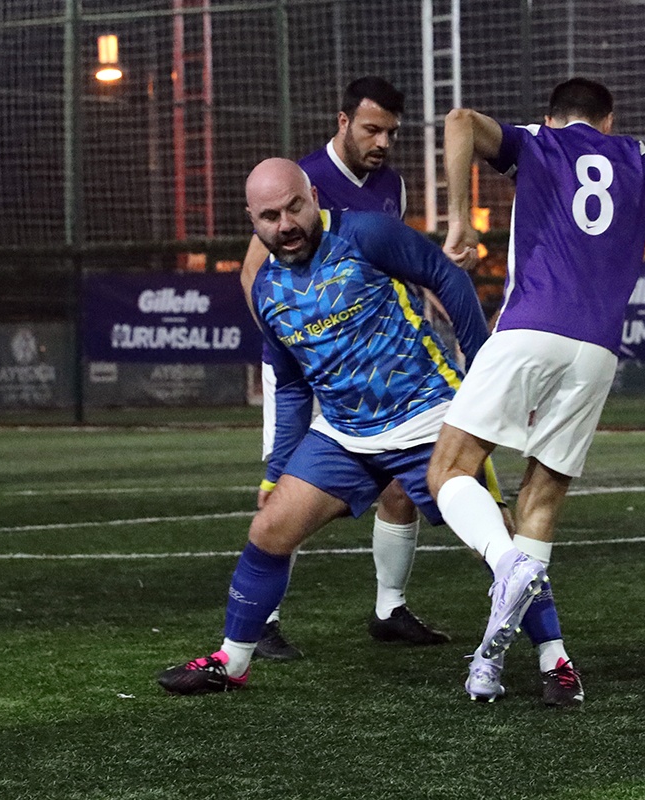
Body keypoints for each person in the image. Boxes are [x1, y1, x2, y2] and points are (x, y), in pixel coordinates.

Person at [426, 78, 645, 704]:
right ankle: (538, 662)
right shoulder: (638, 157)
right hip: (597, 351)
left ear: (550, 117)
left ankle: (506, 564)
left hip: (530, 327)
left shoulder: (535, 143)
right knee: (540, 499)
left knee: (449, 470)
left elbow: (458, 120)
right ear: (608, 120)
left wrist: (458, 223)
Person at [159, 158, 547, 695]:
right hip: (344, 434)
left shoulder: (366, 233)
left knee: (497, 541)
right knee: (269, 530)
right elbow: (292, 388)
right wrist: (275, 473)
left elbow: (447, 275)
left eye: (294, 207)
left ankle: (554, 659)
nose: (286, 224)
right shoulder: (266, 290)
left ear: (314, 197)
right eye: (270, 216)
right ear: (252, 221)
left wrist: (482, 373)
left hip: (426, 417)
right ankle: (233, 660)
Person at [238, 77, 447, 659]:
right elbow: (253, 274)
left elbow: (388, 266)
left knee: (402, 484)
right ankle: (263, 621)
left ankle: (390, 609)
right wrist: (302, 348)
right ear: (343, 122)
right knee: (286, 488)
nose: (382, 142)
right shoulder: (298, 180)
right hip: (306, 368)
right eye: (371, 129)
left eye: (391, 132)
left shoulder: (391, 185)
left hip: (378, 369)